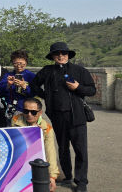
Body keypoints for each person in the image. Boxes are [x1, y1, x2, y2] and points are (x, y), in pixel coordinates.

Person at [30, 42, 96, 192]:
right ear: (53, 56)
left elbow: (92, 90)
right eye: (57, 54)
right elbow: (34, 85)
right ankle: (67, 177)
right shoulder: (47, 71)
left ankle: (81, 182)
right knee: (63, 149)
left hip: (77, 117)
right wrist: (46, 95)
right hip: (58, 117)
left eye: (63, 53)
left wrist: (78, 87)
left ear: (68, 55)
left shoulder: (79, 70)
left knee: (80, 150)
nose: (60, 56)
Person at [12, 97, 60, 192]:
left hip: (37, 163)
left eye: (33, 112)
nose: (29, 115)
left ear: (40, 113)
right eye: (26, 111)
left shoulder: (47, 129)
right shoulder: (16, 120)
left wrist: (52, 177)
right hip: (19, 164)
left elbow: (50, 153)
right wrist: (32, 132)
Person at [0, 50, 36, 123]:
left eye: (21, 63)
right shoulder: (8, 75)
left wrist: (25, 86)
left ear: (26, 62)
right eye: (15, 63)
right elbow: (1, 90)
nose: (19, 66)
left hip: (26, 109)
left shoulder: (31, 76)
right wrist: (8, 84)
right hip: (11, 108)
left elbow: (35, 93)